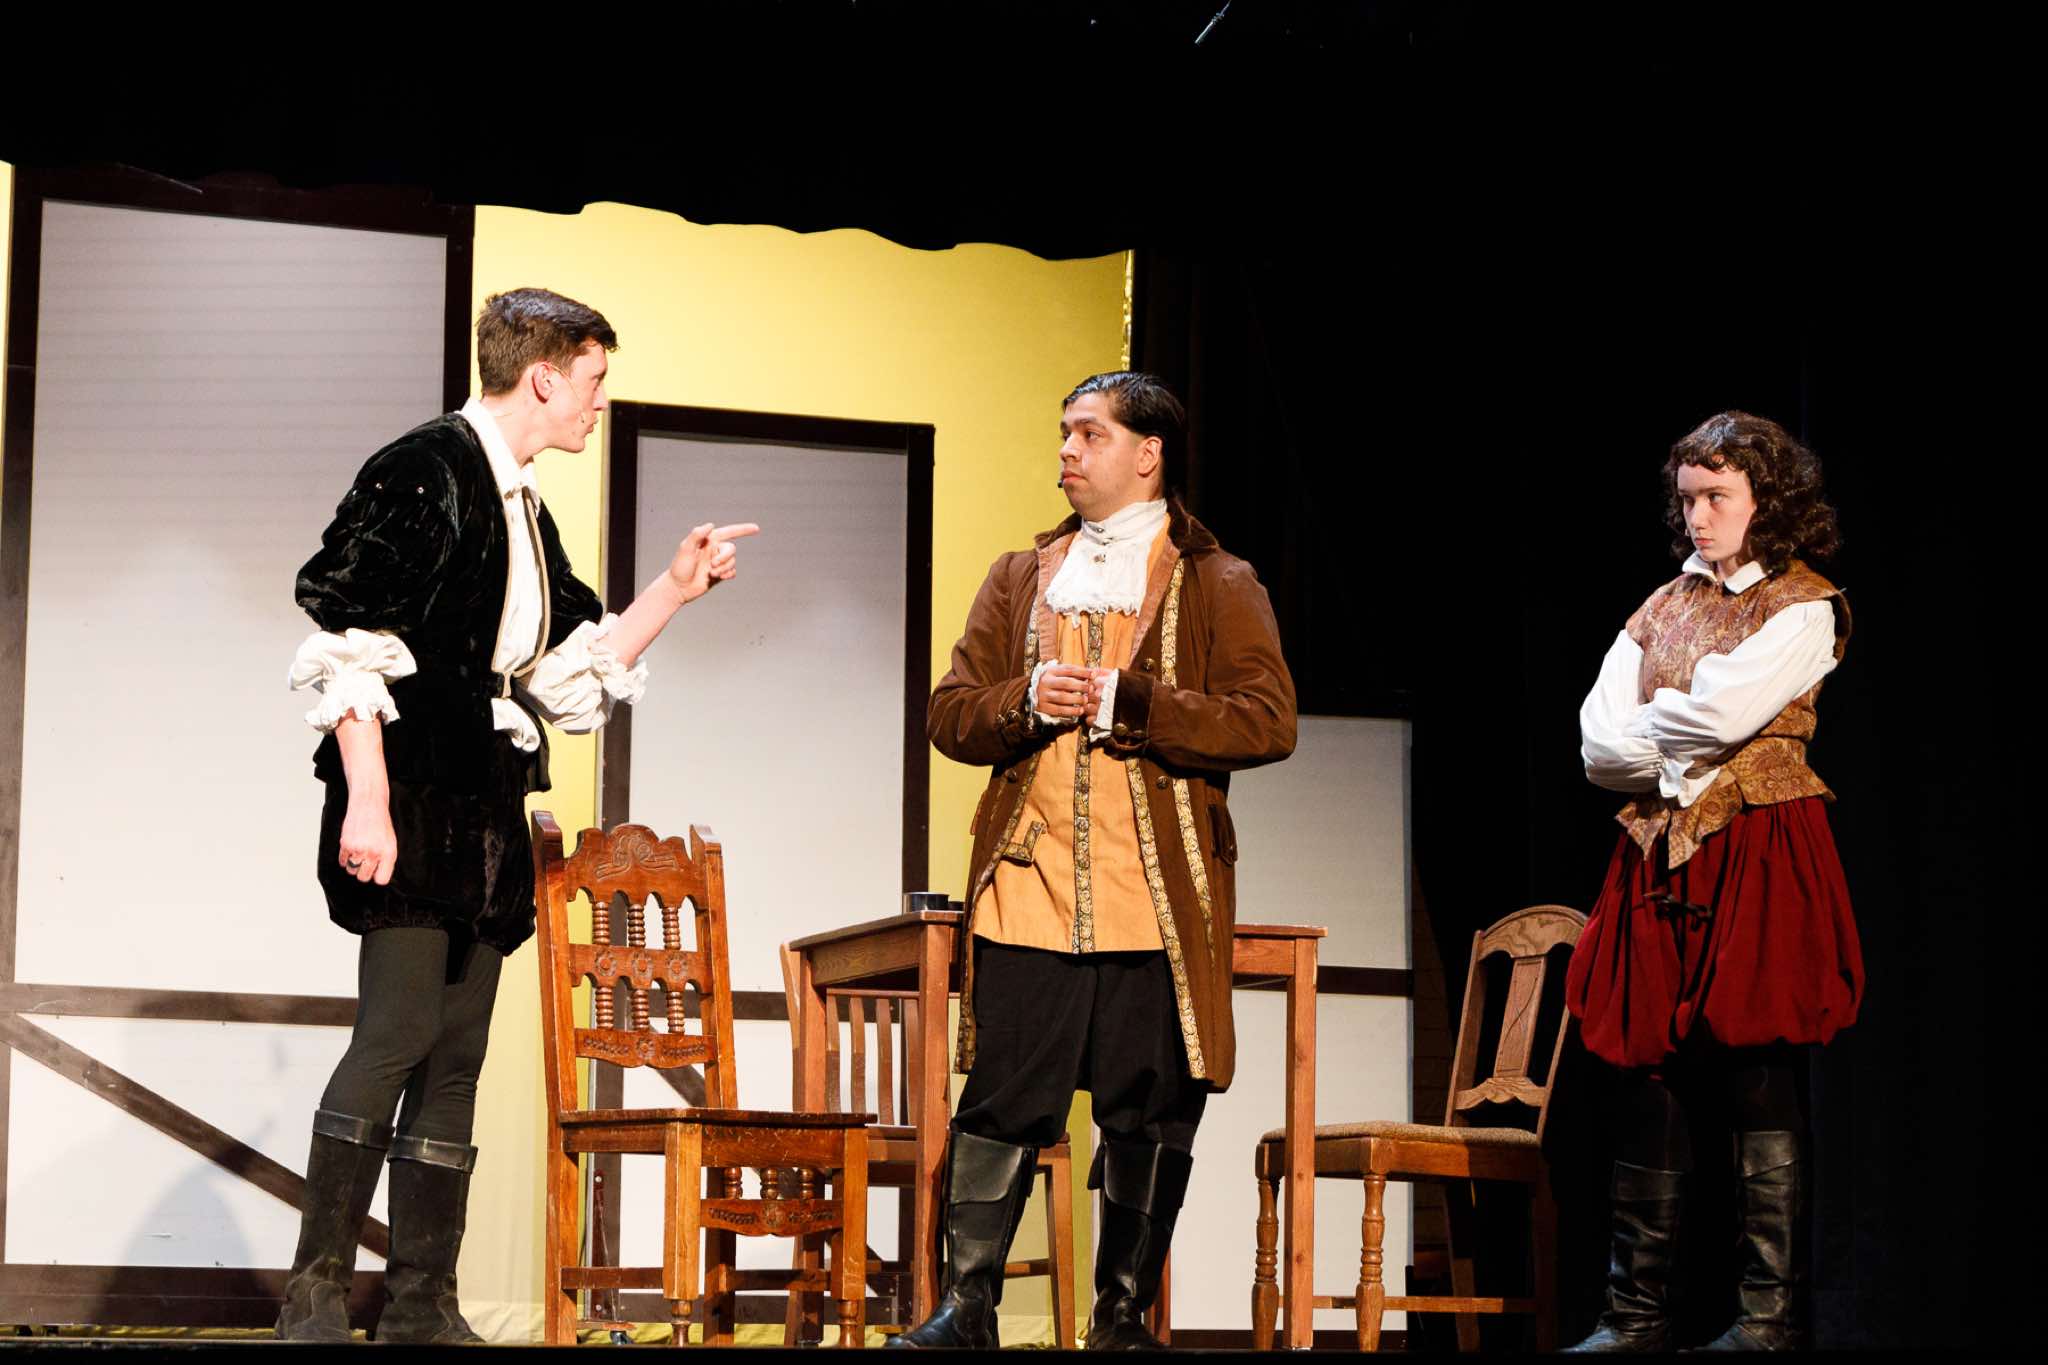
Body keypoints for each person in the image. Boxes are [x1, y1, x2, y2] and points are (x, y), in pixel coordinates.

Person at [276, 288, 758, 1342]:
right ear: (543, 376)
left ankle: (421, 1304)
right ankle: (313, 1297)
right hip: (411, 786)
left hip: (486, 799)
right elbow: (349, 639)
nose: (598, 403)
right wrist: (368, 801)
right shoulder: (426, 469)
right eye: (591, 381)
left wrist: (672, 591)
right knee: (396, 1033)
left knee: (457, 1055)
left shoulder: (521, 503)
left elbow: (562, 675)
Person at [896, 372, 1295, 1350]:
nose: (1068, 451)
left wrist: (1138, 704)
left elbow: (1265, 719)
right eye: (1064, 434)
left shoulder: (1217, 581)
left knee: (1147, 1107)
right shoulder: (1020, 576)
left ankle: (1119, 1316)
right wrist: (1025, 698)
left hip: (1152, 899)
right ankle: (966, 1309)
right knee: (999, 1100)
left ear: (1147, 453)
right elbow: (950, 712)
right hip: (1029, 888)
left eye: (1089, 434)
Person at [1563, 411, 1863, 1353]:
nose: (1698, 516)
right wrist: (1662, 742)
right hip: (1655, 843)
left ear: (1766, 500)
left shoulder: (1806, 605)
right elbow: (1595, 743)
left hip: (1761, 837)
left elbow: (1725, 713)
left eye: (1718, 496)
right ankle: (1635, 1314)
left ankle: (1768, 1317)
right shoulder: (1658, 606)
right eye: (1688, 498)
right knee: (1643, 1061)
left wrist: (1652, 733)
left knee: (1756, 1060)